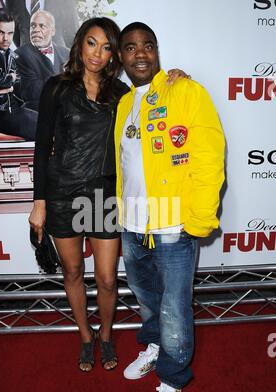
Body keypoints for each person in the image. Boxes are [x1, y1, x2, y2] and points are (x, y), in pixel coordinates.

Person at [29, 17, 187, 373]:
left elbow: (157, 101)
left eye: (105, 46)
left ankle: (105, 335)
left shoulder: (122, 94)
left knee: (105, 278)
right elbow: (41, 149)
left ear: (114, 53)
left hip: (103, 195)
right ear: (79, 44)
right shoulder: (55, 87)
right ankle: (86, 336)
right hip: (62, 194)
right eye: (91, 43)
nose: (97, 53)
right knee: (72, 271)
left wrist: (175, 79)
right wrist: (39, 202)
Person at [115, 22, 225, 392]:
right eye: (130, 47)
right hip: (133, 224)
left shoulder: (186, 91)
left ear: (157, 52)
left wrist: (198, 219)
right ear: (121, 57)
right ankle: (155, 346)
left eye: (147, 46)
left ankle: (173, 379)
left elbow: (210, 157)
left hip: (174, 224)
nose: (140, 54)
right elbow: (126, 168)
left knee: (175, 308)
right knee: (146, 297)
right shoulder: (125, 104)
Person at [0, 9, 38, 139]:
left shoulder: (11, 54)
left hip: (10, 107)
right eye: (1, 32)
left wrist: (6, 86)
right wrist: (10, 80)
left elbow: (19, 82)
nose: (6, 38)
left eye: (10, 33)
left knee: (46, 117)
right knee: (35, 123)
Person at [15, 10, 69, 111]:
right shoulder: (20, 55)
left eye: (42, 26)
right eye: (33, 26)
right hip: (38, 114)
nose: (36, 30)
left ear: (53, 31)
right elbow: (32, 92)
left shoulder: (66, 53)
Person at [3, 0, 80, 49]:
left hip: (57, 66)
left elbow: (72, 35)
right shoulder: (12, 1)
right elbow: (15, 32)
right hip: (27, 64)